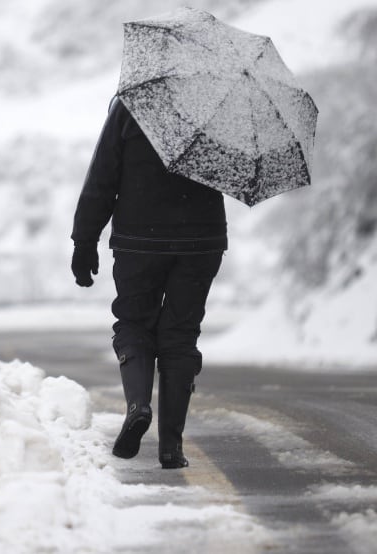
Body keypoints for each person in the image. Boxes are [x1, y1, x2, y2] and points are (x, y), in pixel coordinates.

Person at [71, 96, 227, 468]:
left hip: (140, 240)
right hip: (201, 241)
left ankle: (139, 405)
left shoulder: (134, 103)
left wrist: (84, 241)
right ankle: (171, 447)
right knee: (181, 334)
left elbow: (103, 176)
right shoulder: (221, 106)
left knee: (134, 324)